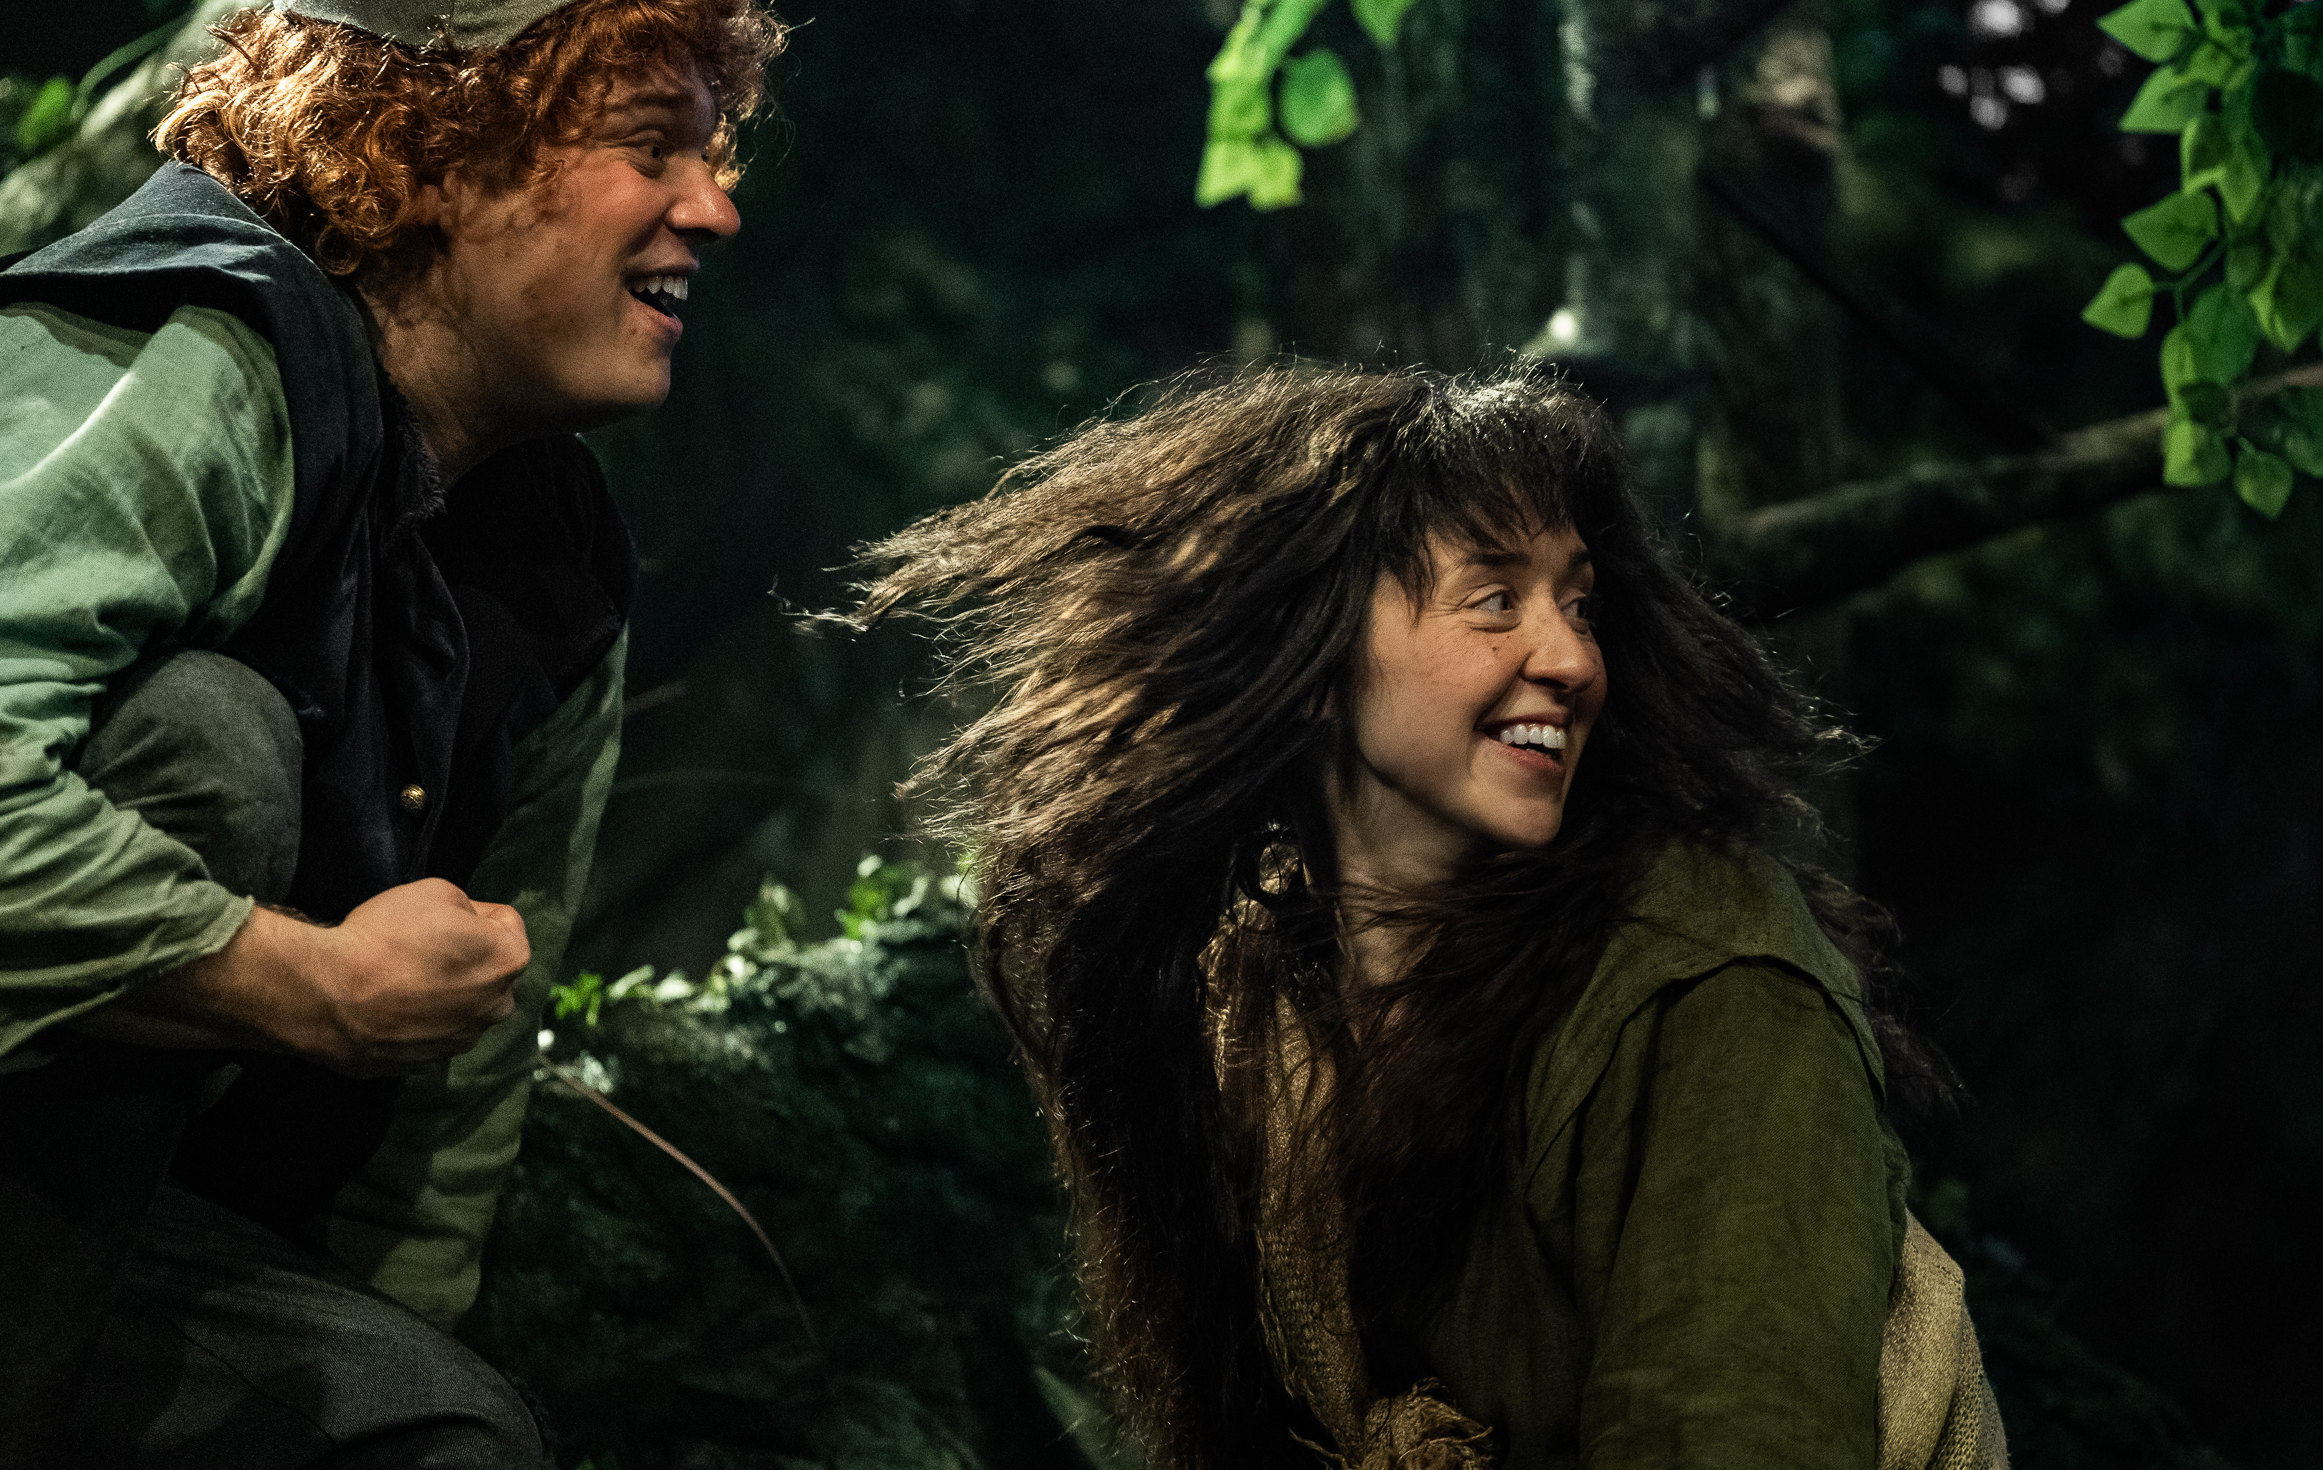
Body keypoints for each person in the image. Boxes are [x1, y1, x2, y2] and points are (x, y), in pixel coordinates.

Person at [0, 0, 782, 1464]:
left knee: (433, 1433)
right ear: (437, 142)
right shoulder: (189, 361)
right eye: (650, 147)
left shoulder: (552, 570)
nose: (715, 208)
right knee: (208, 742)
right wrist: (306, 988)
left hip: (87, 1244)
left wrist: (396, 1325)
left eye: (714, 154)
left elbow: (458, 1064)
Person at [846, 365, 2008, 1469]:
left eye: (1581, 603)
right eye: (1495, 599)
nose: (1571, 656)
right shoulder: (1249, 997)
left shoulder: (1710, 982)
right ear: (1314, 655)